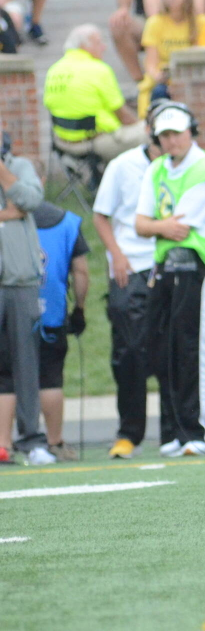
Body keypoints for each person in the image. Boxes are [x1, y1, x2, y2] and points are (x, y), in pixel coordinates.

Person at [135, 102, 205, 457]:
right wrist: (160, 227)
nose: (172, 140)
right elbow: (141, 224)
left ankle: (199, 429)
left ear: (192, 132)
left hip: (199, 266)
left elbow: (182, 227)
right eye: (166, 134)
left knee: (192, 347)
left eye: (178, 132)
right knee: (165, 347)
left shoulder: (204, 168)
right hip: (167, 267)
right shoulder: (157, 168)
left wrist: (157, 227)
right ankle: (178, 429)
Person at [92, 127, 161, 460]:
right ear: (149, 131)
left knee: (176, 350)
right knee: (130, 351)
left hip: (172, 265)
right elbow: (100, 215)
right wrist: (117, 256)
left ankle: (182, 433)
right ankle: (129, 433)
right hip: (131, 268)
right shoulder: (122, 165)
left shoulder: (190, 166)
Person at [0, 123, 50, 465]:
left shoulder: (20, 168)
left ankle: (32, 439)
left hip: (20, 283)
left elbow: (31, 199)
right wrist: (6, 213)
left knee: (26, 363)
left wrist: (4, 173)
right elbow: (17, 209)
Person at [30, 200, 90, 462]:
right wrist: (79, 308)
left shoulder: (6, 216)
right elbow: (81, 271)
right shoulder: (67, 222)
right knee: (50, 377)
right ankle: (54, 442)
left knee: (6, 380)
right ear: (41, 180)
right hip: (52, 313)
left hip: (10, 312)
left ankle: (5, 443)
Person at [44, 25, 146, 163]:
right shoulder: (99, 70)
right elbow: (124, 117)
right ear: (84, 46)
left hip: (62, 141)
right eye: (99, 42)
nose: (104, 47)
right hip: (94, 142)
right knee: (153, 134)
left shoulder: (54, 70)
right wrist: (142, 125)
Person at [140, 0, 205, 112]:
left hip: (192, 78)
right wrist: (161, 78)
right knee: (160, 92)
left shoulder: (201, 22)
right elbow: (151, 64)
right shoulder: (155, 22)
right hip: (163, 81)